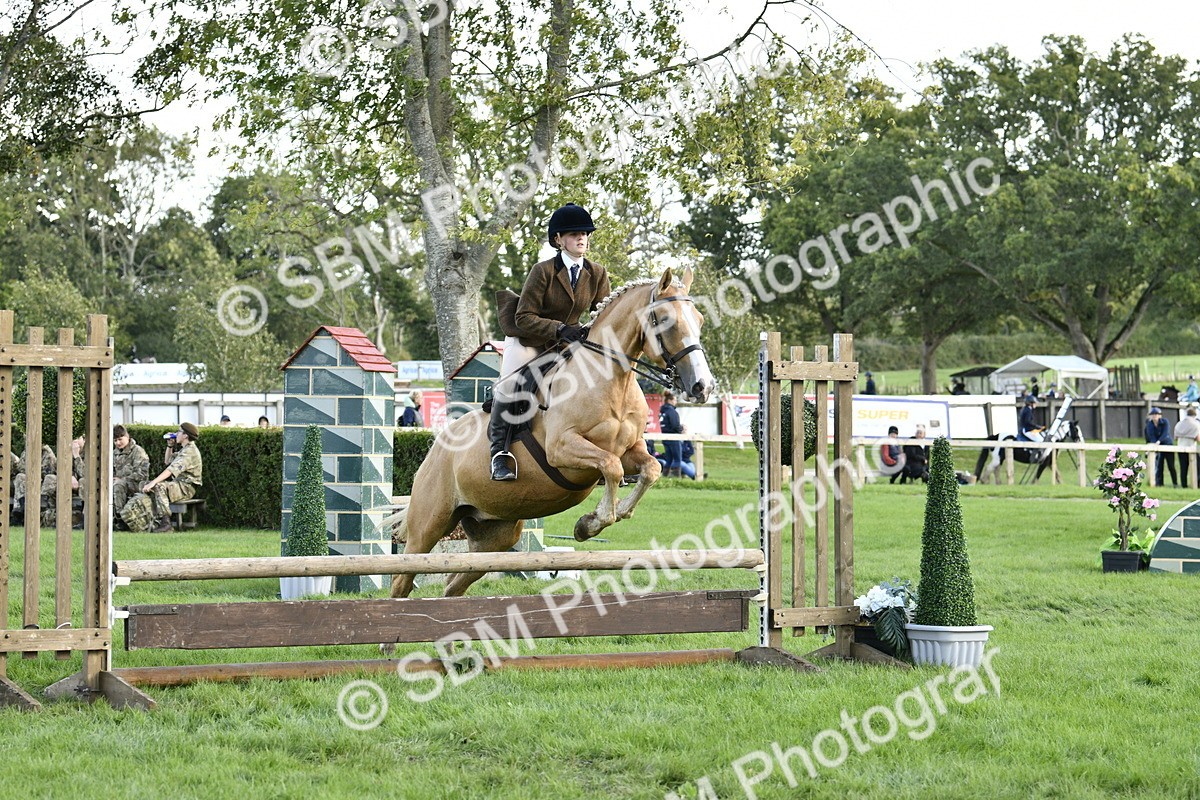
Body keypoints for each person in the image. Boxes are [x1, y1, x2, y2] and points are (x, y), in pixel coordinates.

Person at [488, 202, 611, 481]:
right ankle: (499, 454)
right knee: (510, 383)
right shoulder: (542, 271)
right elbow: (523, 317)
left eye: (585, 233)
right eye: (573, 234)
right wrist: (559, 329)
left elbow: (602, 315)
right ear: (558, 239)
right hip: (529, 339)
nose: (582, 238)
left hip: (566, 343)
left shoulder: (597, 272)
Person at [141, 422, 204, 532]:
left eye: (179, 431)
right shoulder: (184, 449)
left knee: (159, 486)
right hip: (179, 485)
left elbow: (170, 470)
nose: (176, 434)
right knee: (145, 484)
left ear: (185, 435)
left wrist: (153, 482)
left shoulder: (189, 452)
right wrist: (170, 446)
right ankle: (149, 520)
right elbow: (168, 461)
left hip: (187, 487)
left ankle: (166, 524)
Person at [112, 425, 150, 523]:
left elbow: (141, 474)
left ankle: (120, 519)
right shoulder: (114, 453)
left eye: (120, 439)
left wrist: (122, 480)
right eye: (115, 440)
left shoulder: (138, 451)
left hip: (137, 484)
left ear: (127, 436)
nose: (118, 443)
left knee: (118, 485)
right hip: (119, 484)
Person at [1145, 407, 1178, 488]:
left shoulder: (1165, 422)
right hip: (1157, 446)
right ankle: (1160, 483)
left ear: (1160, 415)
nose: (1154, 416)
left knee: (1171, 465)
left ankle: (1175, 483)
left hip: (1167, 445)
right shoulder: (1149, 424)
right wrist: (1154, 444)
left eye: (1156, 414)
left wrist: (1158, 441)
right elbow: (1151, 435)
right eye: (1153, 414)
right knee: (1159, 465)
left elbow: (1165, 433)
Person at [659, 391, 685, 478]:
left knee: (669, 459)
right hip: (673, 437)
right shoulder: (671, 411)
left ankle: (665, 476)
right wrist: (681, 429)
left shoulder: (663, 411)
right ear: (670, 400)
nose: (676, 402)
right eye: (675, 400)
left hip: (665, 437)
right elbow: (675, 425)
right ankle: (676, 476)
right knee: (677, 459)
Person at [1174, 406, 1200, 487]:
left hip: (1180, 448)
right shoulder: (1196, 424)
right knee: (1197, 467)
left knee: (1183, 468)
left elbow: (1175, 438)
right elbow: (1198, 438)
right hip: (1191, 448)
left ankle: (1184, 485)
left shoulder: (1179, 424)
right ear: (1194, 415)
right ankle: (1197, 483)